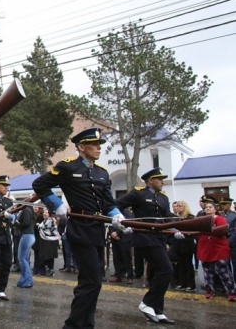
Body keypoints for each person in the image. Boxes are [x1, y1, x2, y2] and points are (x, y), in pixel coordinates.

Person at [32, 127, 125, 328]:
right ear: (81, 147)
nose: (99, 148)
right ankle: (73, 325)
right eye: (94, 144)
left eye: (100, 145)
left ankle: (86, 324)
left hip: (98, 230)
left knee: (92, 281)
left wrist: (116, 214)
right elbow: (40, 184)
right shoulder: (68, 167)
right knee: (92, 281)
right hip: (80, 229)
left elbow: (108, 201)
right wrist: (56, 205)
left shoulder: (102, 172)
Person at [117, 167, 182, 325]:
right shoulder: (138, 194)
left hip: (159, 238)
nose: (162, 182)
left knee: (157, 274)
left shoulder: (163, 198)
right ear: (150, 181)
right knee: (167, 270)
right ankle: (147, 303)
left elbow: (167, 218)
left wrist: (175, 230)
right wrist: (123, 223)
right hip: (145, 238)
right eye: (159, 179)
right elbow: (117, 205)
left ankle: (158, 311)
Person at [197, 200, 236, 301]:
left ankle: (231, 292)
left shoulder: (220, 219)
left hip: (218, 248)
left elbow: (222, 231)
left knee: (224, 272)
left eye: (210, 207)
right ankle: (210, 290)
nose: (208, 208)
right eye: (206, 207)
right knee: (208, 273)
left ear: (215, 209)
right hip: (205, 248)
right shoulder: (201, 219)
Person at [172, 201, 196, 292]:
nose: (177, 208)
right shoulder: (177, 218)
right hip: (179, 243)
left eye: (179, 206)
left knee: (188, 264)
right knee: (180, 264)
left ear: (184, 207)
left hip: (187, 242)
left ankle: (190, 284)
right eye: (176, 206)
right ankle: (182, 283)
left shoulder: (190, 217)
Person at [15, 204, 35, 288]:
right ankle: (24, 280)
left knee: (22, 259)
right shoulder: (30, 210)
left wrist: (16, 224)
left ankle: (28, 280)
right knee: (25, 259)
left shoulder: (26, 210)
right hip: (30, 235)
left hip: (26, 235)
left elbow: (25, 223)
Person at [218, 197, 236, 278]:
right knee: (225, 264)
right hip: (222, 242)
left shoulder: (234, 215)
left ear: (229, 204)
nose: (222, 206)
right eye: (221, 204)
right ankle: (229, 283)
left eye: (224, 204)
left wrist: (228, 242)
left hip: (233, 243)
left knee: (235, 264)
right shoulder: (220, 215)